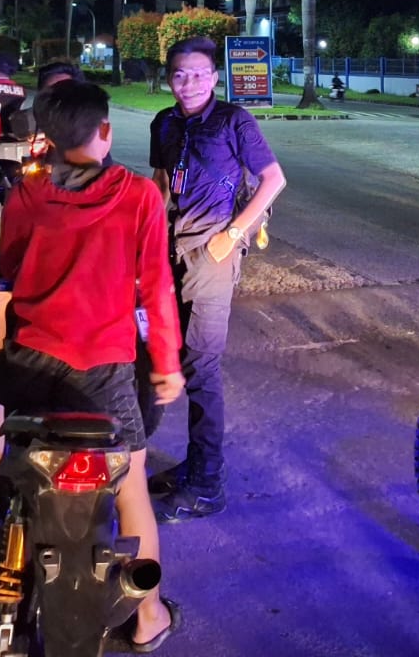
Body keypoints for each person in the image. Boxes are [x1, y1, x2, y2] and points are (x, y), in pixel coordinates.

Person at [0, 78, 186, 652]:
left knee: (9, 447)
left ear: (46, 137)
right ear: (105, 130)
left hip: (31, 364)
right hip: (106, 374)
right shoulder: (140, 196)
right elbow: (157, 290)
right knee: (131, 495)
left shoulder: (24, 197)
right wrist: (166, 365)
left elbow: (15, 268)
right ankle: (147, 619)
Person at [148, 35, 286, 522]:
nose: (189, 83)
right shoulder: (163, 122)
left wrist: (231, 234)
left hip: (213, 250)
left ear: (215, 77)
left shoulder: (233, 120)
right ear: (169, 79)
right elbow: (164, 185)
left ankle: (207, 485)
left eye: (200, 74)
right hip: (171, 248)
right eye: (180, 75)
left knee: (202, 367)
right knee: (171, 352)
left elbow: (273, 179)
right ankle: (194, 465)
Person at [0, 58, 90, 526]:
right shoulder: (119, 185)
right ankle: (152, 604)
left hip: (62, 336)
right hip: (101, 347)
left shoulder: (36, 186)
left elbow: (12, 263)